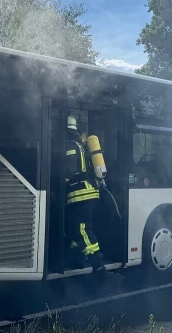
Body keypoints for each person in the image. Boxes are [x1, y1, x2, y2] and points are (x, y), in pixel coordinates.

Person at [64, 115, 106, 274]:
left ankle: (99, 266)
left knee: (83, 230)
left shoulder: (70, 145)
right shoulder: (81, 145)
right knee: (72, 228)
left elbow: (68, 171)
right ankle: (76, 258)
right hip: (88, 194)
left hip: (81, 195)